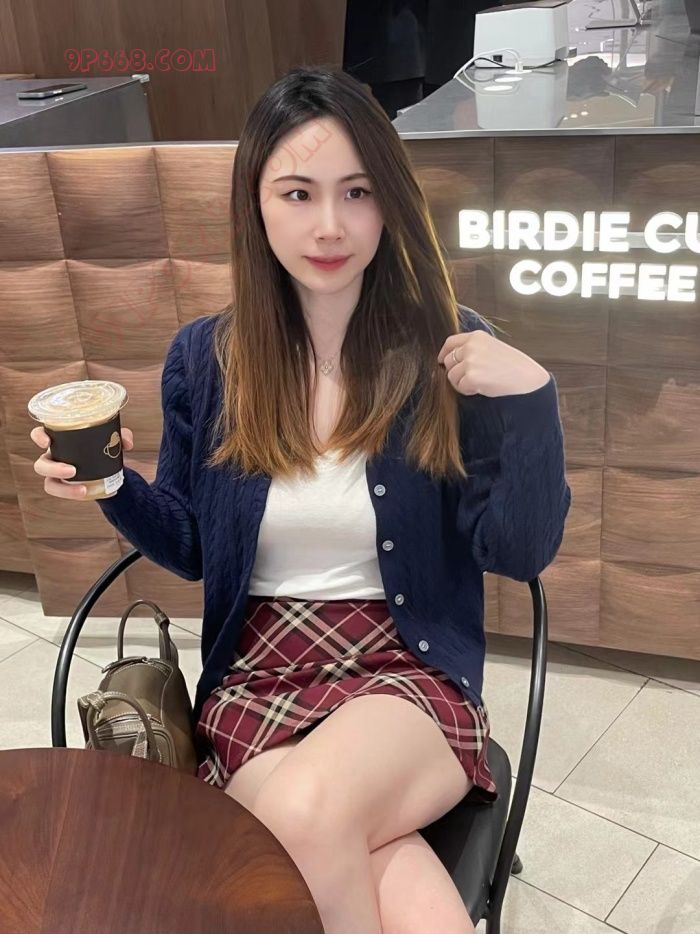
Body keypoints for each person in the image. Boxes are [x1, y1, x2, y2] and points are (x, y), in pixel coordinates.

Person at [31, 65, 571, 934]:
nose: (329, 225)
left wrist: (532, 404)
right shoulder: (207, 359)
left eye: (357, 192)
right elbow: (195, 548)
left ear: (390, 203)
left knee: (300, 820)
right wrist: (114, 486)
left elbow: (519, 551)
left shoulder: (449, 348)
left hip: (407, 666)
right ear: (256, 203)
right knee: (366, 865)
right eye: (298, 193)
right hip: (256, 674)